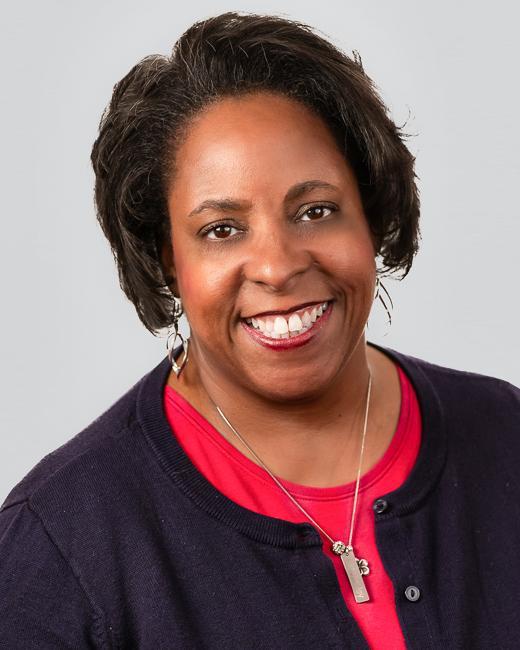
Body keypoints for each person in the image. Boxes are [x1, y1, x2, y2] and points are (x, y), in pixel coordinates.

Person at [1, 10, 519, 649]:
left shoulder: (506, 434)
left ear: (371, 214)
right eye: (221, 229)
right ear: (167, 258)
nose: (277, 266)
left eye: (316, 210)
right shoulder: (62, 546)